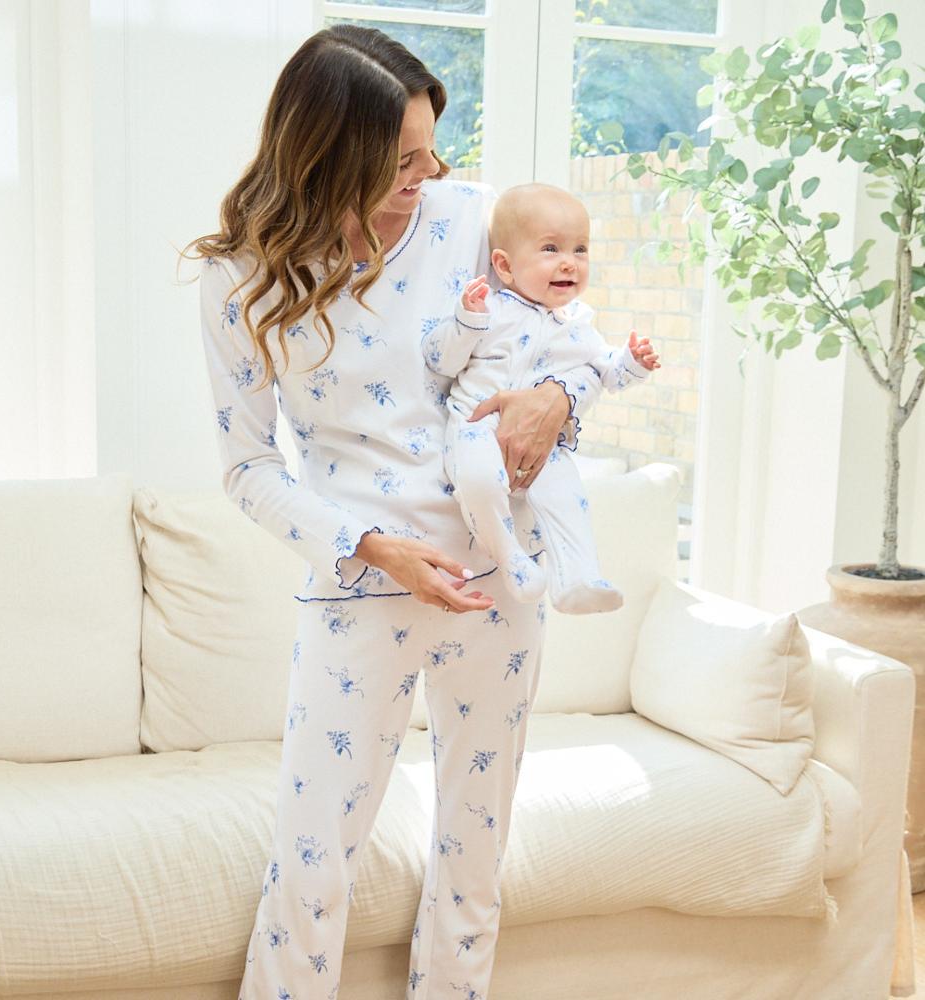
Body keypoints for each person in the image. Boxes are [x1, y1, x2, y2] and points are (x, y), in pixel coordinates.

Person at [189, 24, 608, 1000]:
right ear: (325, 153)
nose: (431, 172)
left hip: (498, 579)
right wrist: (374, 548)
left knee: (474, 850)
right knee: (313, 857)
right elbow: (247, 467)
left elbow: (561, 340)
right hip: (360, 584)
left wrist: (561, 402)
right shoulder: (240, 274)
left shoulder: (468, 216)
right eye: (402, 158)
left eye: (432, 148)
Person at [422, 182, 661, 614]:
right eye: (551, 248)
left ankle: (579, 575)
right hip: (476, 426)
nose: (569, 261)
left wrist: (634, 361)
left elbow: (610, 374)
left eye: (581, 249)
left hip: (546, 445)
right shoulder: (490, 308)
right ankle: (509, 556)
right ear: (505, 266)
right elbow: (440, 360)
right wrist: (465, 321)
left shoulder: (578, 325)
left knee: (567, 494)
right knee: (478, 482)